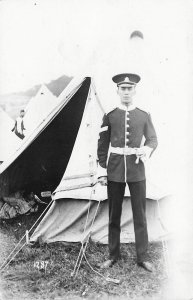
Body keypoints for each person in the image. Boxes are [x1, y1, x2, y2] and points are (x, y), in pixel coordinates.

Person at [97, 73, 158, 272]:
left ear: (134, 90)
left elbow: (152, 140)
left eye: (129, 88)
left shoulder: (144, 114)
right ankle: (113, 255)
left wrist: (146, 150)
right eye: (122, 89)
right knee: (114, 214)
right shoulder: (110, 114)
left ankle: (143, 257)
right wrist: (102, 172)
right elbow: (102, 144)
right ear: (117, 91)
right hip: (114, 170)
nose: (126, 92)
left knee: (140, 214)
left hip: (137, 170)